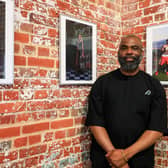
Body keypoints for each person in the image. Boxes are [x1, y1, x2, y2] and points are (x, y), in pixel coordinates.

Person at [85, 34, 167, 168]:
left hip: (140, 159)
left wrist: (125, 156)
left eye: (134, 48)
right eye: (124, 48)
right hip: (105, 158)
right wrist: (114, 156)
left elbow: (156, 128)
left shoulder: (154, 86)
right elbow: (95, 122)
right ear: (118, 52)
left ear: (141, 52)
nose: (129, 52)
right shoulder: (102, 83)